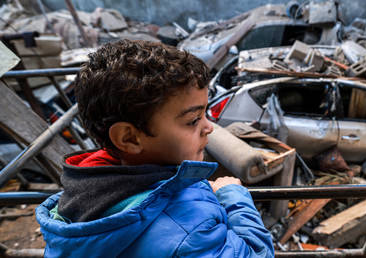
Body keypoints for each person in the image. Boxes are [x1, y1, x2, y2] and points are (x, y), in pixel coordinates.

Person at [35, 40, 274, 257]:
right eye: (193, 120)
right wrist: (233, 196)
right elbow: (258, 254)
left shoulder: (75, 200)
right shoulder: (190, 231)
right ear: (129, 138)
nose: (209, 127)